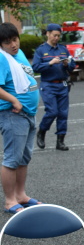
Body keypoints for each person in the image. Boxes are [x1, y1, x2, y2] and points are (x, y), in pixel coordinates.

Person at [0, 23, 42, 214]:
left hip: (28, 114)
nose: (13, 45)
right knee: (12, 159)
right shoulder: (2, 58)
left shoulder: (19, 54)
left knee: (24, 158)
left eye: (15, 40)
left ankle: (21, 195)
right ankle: (10, 201)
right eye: (7, 42)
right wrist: (14, 101)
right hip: (13, 113)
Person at [32, 23, 75, 151]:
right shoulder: (41, 50)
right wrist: (50, 63)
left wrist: (67, 64)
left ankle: (60, 141)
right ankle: (42, 132)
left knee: (63, 113)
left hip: (62, 84)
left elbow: (73, 67)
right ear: (48, 34)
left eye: (58, 36)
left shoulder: (63, 49)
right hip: (48, 85)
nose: (56, 38)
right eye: (54, 35)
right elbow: (35, 68)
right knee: (52, 111)